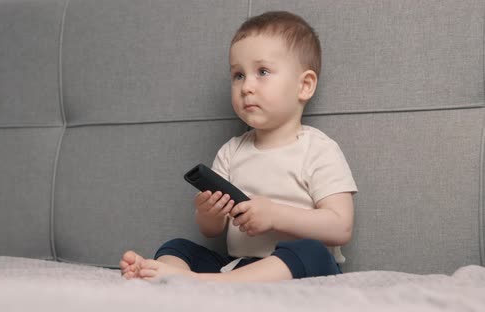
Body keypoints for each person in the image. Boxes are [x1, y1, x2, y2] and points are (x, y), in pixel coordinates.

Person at [120, 11, 358, 282]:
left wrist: (275, 215)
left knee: (310, 251)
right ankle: (169, 275)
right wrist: (209, 213)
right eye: (238, 75)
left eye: (263, 72)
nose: (246, 87)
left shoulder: (318, 149)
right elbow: (212, 231)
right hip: (240, 267)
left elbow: (341, 227)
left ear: (304, 86)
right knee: (177, 246)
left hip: (301, 272)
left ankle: (201, 283)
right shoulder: (231, 152)